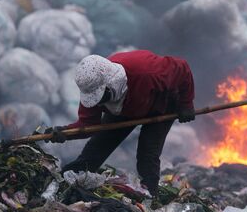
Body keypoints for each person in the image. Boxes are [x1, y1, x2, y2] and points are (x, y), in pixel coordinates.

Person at [46, 50, 195, 195]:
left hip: (162, 103)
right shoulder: (92, 90)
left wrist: (186, 104)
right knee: (94, 150)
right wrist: (63, 133)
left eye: (101, 97)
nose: (98, 103)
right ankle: (63, 185)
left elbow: (183, 68)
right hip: (126, 108)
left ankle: (150, 195)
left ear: (110, 84)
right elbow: (88, 126)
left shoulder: (148, 72)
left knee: (147, 156)